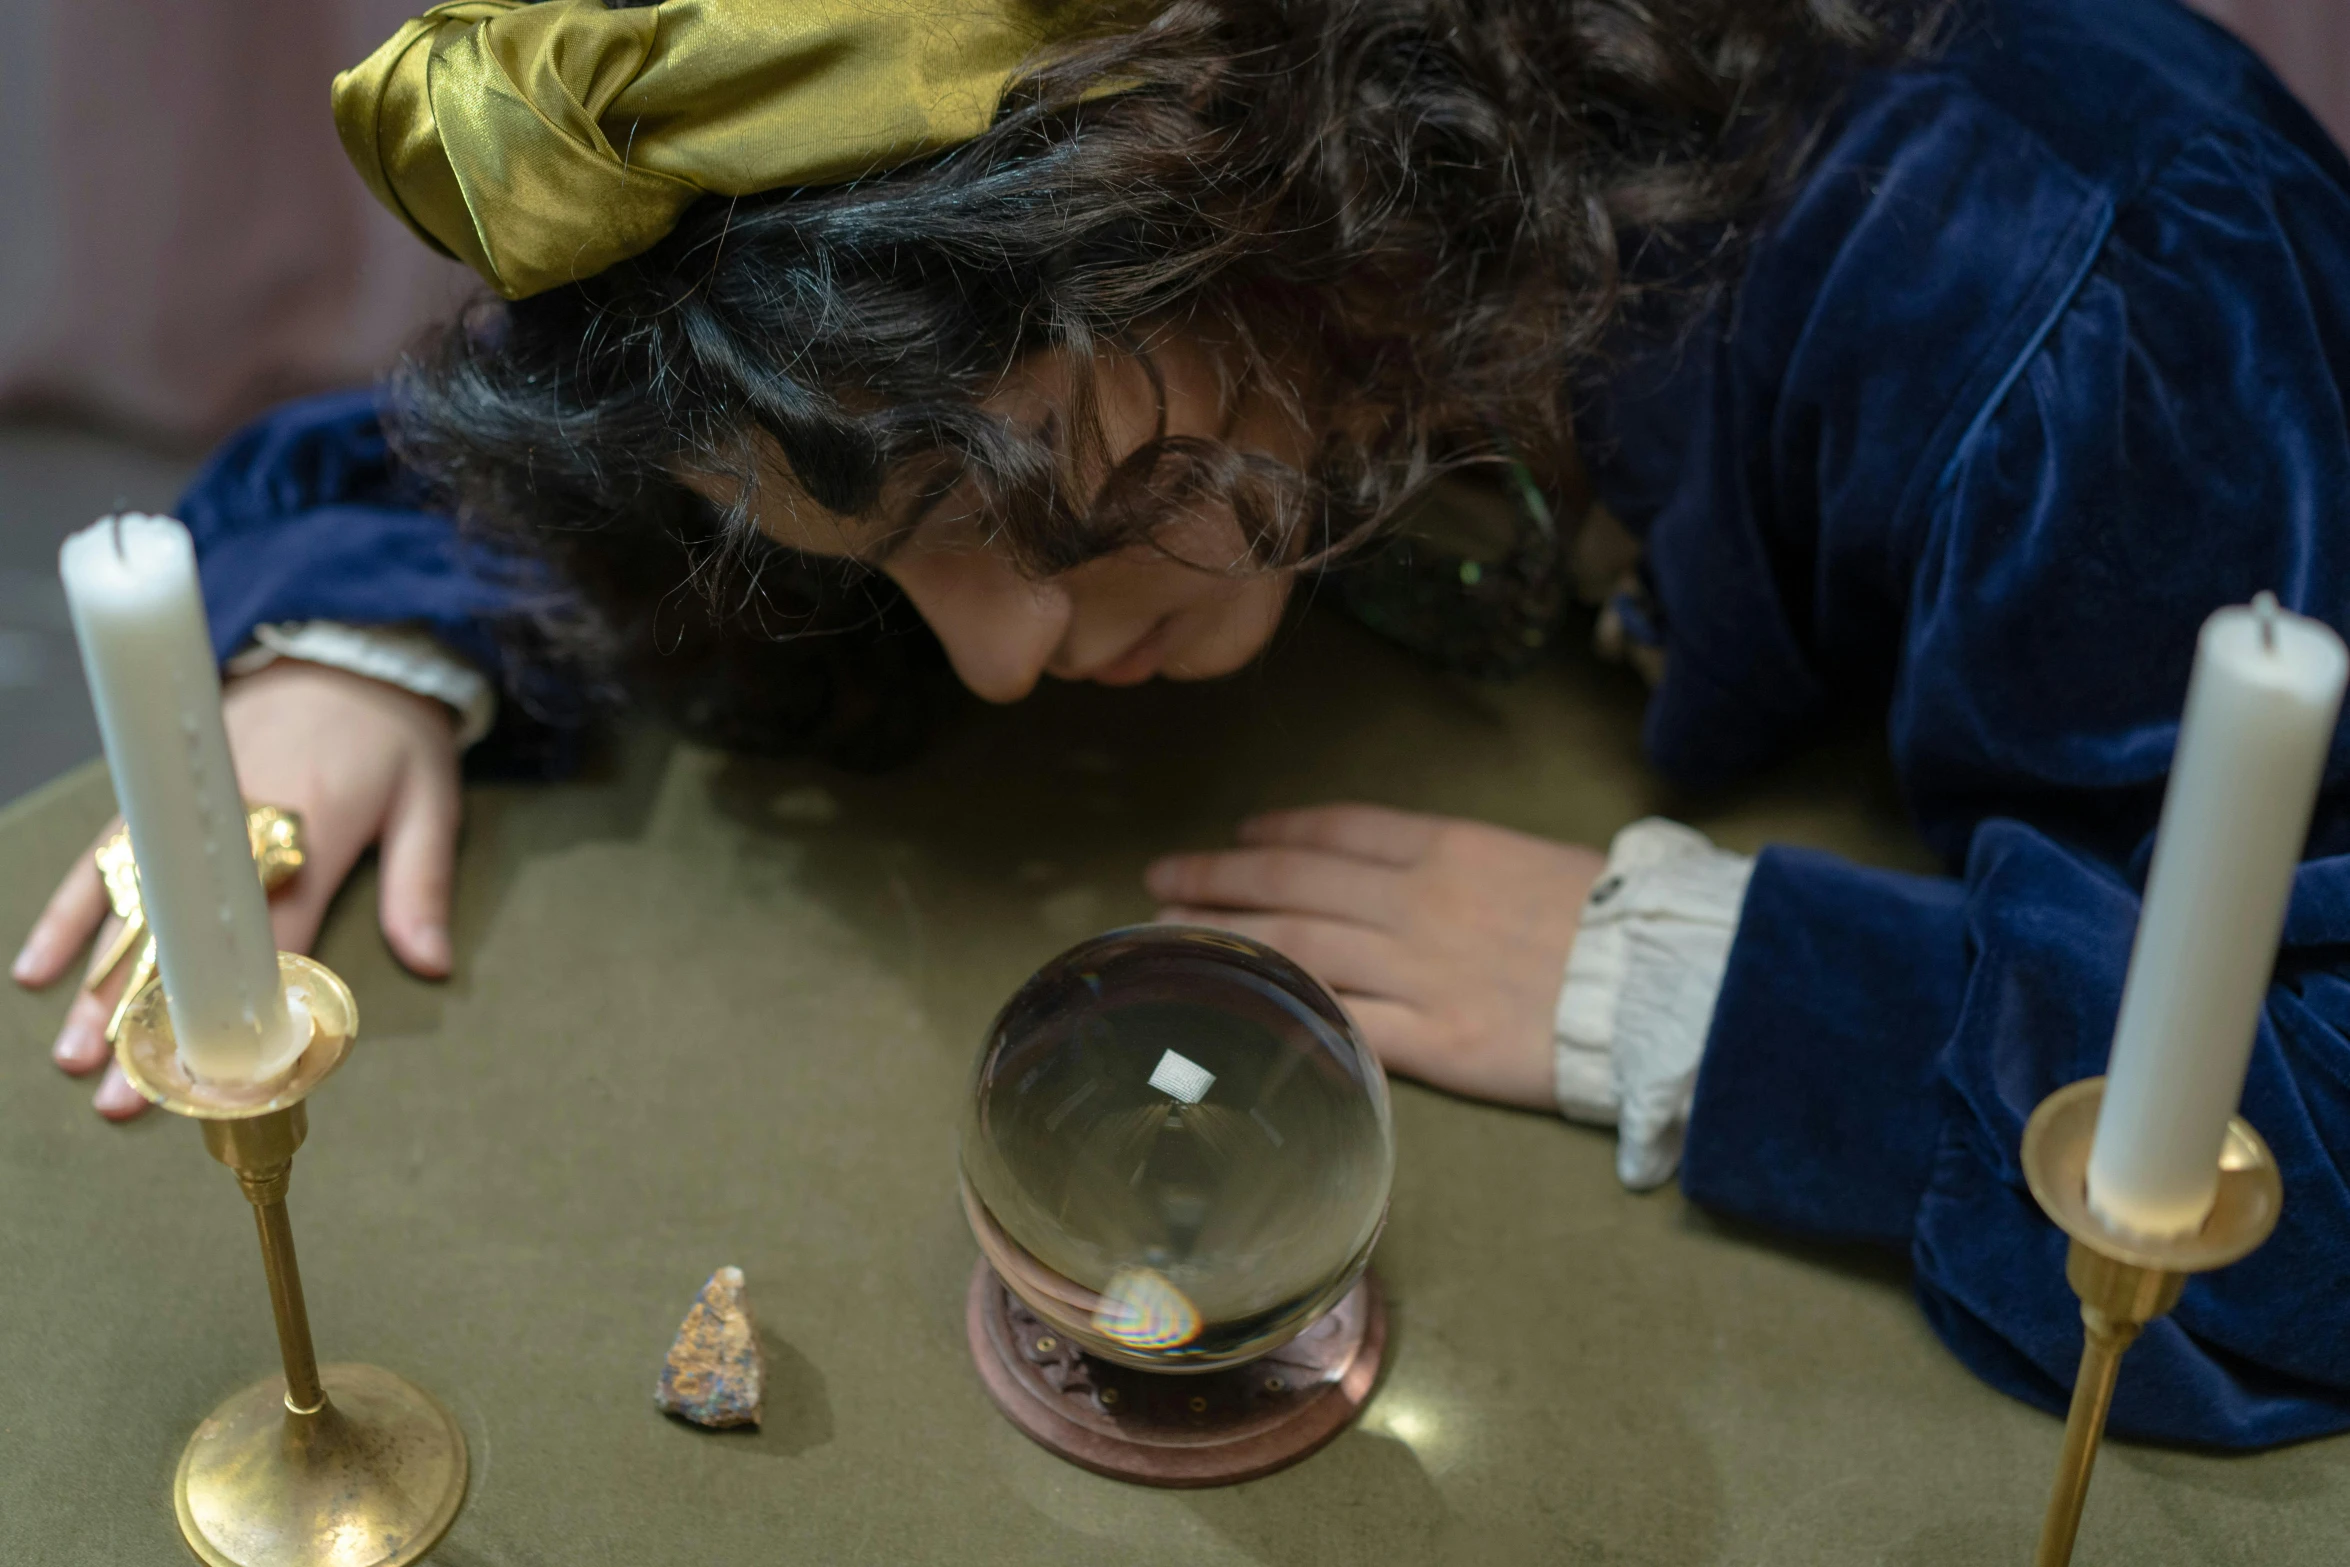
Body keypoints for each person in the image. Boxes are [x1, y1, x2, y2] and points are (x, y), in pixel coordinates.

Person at [14, 0, 2350, 1446]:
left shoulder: (2093, 294)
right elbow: (503, 436)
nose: (1002, 658)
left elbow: (2301, 1106)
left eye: (1009, 504)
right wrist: (358, 641)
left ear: (1233, 173)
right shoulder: (1035, 240)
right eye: (884, 567)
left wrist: (1713, 991)